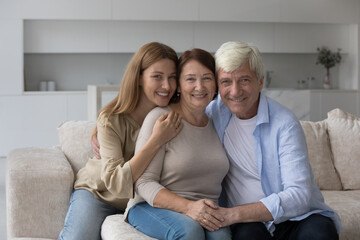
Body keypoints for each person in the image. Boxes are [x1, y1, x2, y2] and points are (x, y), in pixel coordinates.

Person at [204, 41, 341, 239]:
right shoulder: (214, 113)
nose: (234, 91)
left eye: (244, 80)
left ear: (260, 81)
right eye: (226, 81)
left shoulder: (285, 123)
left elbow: (299, 195)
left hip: (298, 218)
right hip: (249, 224)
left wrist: (232, 214)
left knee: (320, 233)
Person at [58, 42, 183, 240]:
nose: (167, 86)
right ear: (139, 77)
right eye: (157, 76)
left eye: (172, 77)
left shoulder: (176, 114)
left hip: (141, 202)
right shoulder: (112, 119)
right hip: (99, 194)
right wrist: (156, 140)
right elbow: (115, 182)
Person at [125, 48, 232, 240]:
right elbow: (144, 183)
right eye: (190, 79)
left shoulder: (219, 122)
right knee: (190, 231)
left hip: (205, 209)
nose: (200, 87)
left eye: (207, 78)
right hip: (150, 207)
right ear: (179, 86)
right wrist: (189, 207)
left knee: (222, 237)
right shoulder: (161, 118)